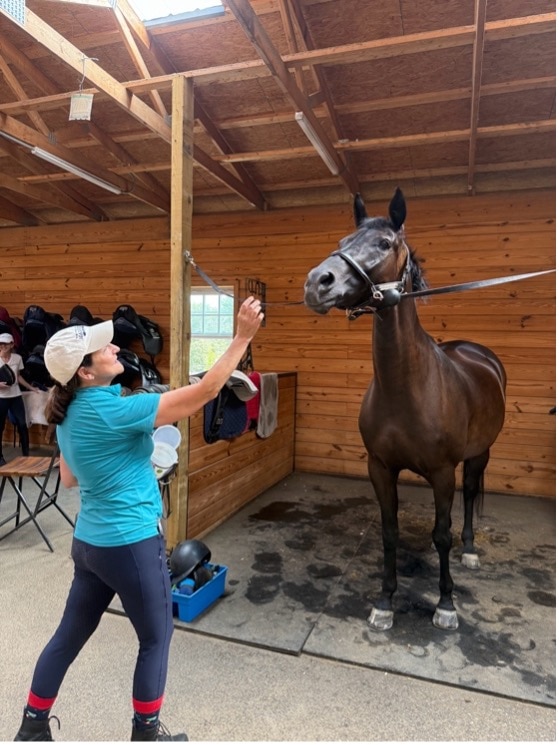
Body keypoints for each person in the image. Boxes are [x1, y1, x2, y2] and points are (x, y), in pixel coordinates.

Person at [14, 297, 264, 742]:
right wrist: (242, 336)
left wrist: (128, 465)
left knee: (69, 636)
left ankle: (32, 727)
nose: (114, 348)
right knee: (155, 639)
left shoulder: (67, 415)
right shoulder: (114, 410)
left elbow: (70, 478)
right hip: (129, 543)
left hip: (90, 545)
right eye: (103, 349)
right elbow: (205, 393)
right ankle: (145, 735)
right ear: (85, 373)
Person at [0, 332, 37, 465]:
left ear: (12, 345)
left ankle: (26, 456)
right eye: (1, 344)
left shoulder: (17, 358)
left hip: (15, 395)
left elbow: (18, 376)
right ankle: (0, 457)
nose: (3, 346)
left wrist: (31, 388)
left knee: (22, 424)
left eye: (5, 344)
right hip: (1, 397)